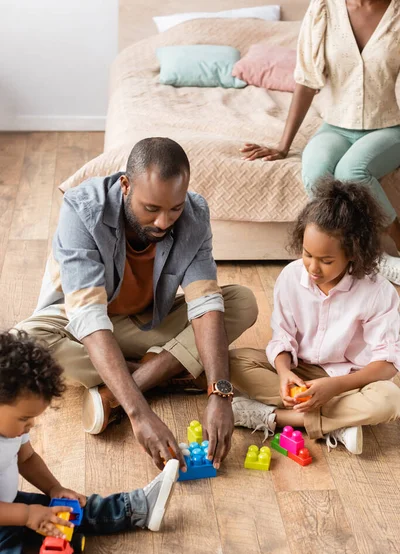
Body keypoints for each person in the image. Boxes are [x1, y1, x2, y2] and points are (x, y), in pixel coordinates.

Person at [16, 137, 258, 472]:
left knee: (240, 301)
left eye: (174, 208)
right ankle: (171, 368)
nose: (163, 222)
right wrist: (138, 412)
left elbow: (204, 302)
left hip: (146, 323)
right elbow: (88, 317)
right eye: (152, 209)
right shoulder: (82, 210)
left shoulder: (194, 213)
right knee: (26, 341)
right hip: (80, 326)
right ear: (126, 186)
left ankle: (120, 386)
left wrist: (219, 393)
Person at [0, 331, 179, 554]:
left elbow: (26, 459)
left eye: (32, 419)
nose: (30, 426)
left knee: (71, 510)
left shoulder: (12, 427)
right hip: (10, 513)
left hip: (10, 505)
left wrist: (54, 488)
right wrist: (26, 515)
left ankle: (137, 507)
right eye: (25, 418)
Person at [229, 178, 400, 454]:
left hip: (349, 382)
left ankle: (274, 418)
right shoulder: (291, 277)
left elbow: (388, 363)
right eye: (308, 254)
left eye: (327, 261)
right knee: (232, 362)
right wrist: (284, 372)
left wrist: (334, 386)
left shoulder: (376, 291)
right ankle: (339, 424)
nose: (313, 268)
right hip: (301, 373)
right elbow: (283, 336)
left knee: (392, 399)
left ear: (353, 255)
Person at [240, 0, 400, 284]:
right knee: (316, 172)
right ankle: (351, 253)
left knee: (352, 172)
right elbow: (306, 80)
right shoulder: (324, 9)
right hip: (335, 125)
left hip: (388, 126)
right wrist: (283, 145)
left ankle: (393, 239)